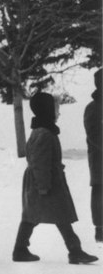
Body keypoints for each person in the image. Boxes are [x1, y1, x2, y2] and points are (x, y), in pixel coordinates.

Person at [12, 90, 98, 264]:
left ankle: (20, 249)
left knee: (33, 216)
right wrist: (43, 185)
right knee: (60, 215)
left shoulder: (41, 131)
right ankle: (74, 250)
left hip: (43, 180)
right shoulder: (44, 133)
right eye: (56, 108)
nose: (59, 112)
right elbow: (40, 161)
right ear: (47, 110)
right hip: (45, 182)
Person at [86, 69, 101, 244]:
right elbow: (94, 135)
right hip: (99, 161)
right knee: (99, 193)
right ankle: (100, 230)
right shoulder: (93, 108)